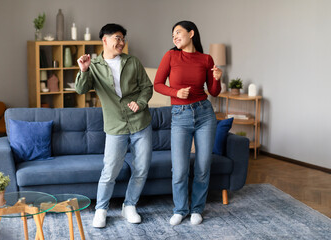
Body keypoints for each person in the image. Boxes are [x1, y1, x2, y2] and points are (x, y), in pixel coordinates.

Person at [75, 23, 153, 228]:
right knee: (110, 171)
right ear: (105, 40)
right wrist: (83, 70)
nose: (121, 42)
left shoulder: (132, 62)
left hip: (140, 123)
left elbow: (147, 87)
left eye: (123, 38)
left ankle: (130, 205)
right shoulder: (93, 65)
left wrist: (141, 103)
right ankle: (101, 210)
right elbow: (81, 89)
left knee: (142, 168)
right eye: (117, 38)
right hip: (115, 126)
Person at [154, 20, 222, 226]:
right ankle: (180, 209)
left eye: (178, 32)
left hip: (204, 114)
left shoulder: (206, 59)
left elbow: (214, 92)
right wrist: (176, 93)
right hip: (180, 116)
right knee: (180, 168)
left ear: (191, 33)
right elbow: (157, 84)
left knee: (203, 166)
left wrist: (218, 78)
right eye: (172, 34)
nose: (174, 37)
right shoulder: (171, 55)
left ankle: (197, 209)